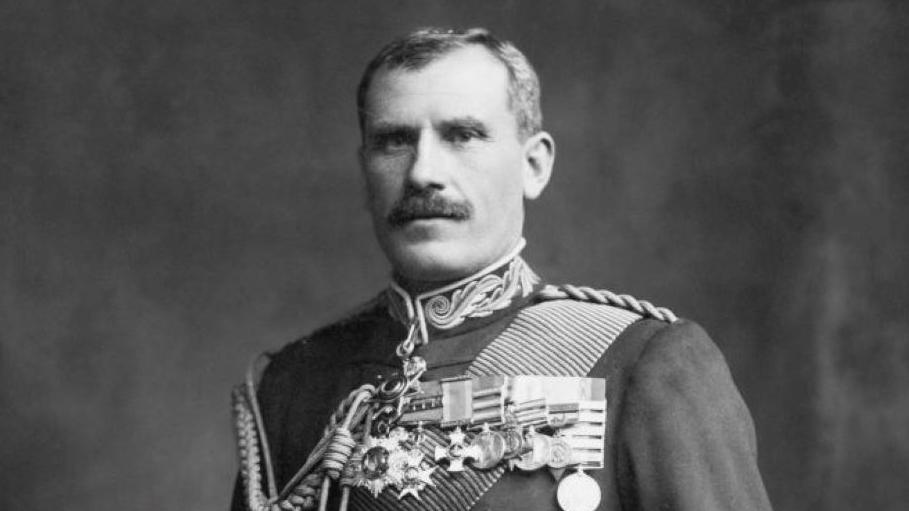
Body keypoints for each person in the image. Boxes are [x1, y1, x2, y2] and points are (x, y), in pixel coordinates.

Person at [230, 27, 772, 511]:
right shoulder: (296, 383)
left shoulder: (645, 364)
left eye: (462, 135)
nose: (423, 172)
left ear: (533, 166)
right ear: (365, 169)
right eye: (393, 141)